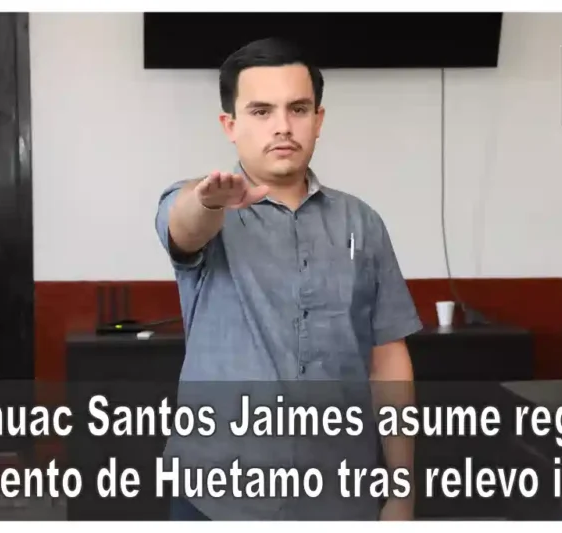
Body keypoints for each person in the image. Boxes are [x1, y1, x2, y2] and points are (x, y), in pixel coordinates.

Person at [154, 37, 423, 521]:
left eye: (298, 109)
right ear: (230, 126)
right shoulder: (204, 204)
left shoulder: (362, 223)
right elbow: (185, 225)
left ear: (318, 120)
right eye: (261, 111)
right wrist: (209, 200)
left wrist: (402, 489)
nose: (282, 126)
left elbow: (388, 359)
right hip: (217, 498)